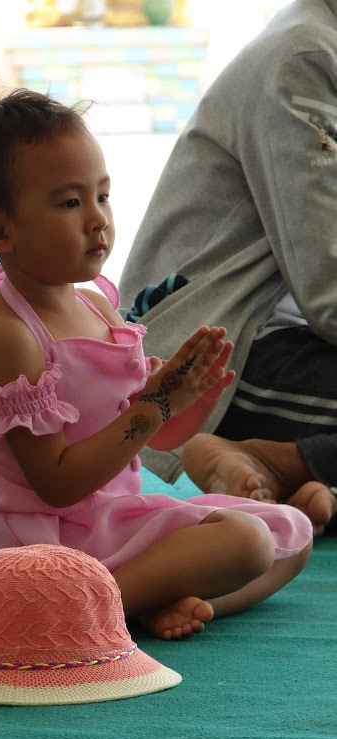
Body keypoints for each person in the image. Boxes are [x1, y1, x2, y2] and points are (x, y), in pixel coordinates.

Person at [0, 80, 312, 641]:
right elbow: (57, 487)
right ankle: (84, 607)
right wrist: (154, 406)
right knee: (249, 543)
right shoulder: (10, 335)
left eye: (103, 195)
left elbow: (153, 440)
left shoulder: (97, 304)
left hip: (114, 524)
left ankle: (135, 600)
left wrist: (184, 398)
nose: (97, 219)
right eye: (70, 202)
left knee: (291, 533)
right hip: (47, 546)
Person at [118, 0, 337, 536]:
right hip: (219, 352)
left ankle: (302, 469)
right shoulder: (305, 58)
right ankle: (284, 459)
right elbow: (329, 288)